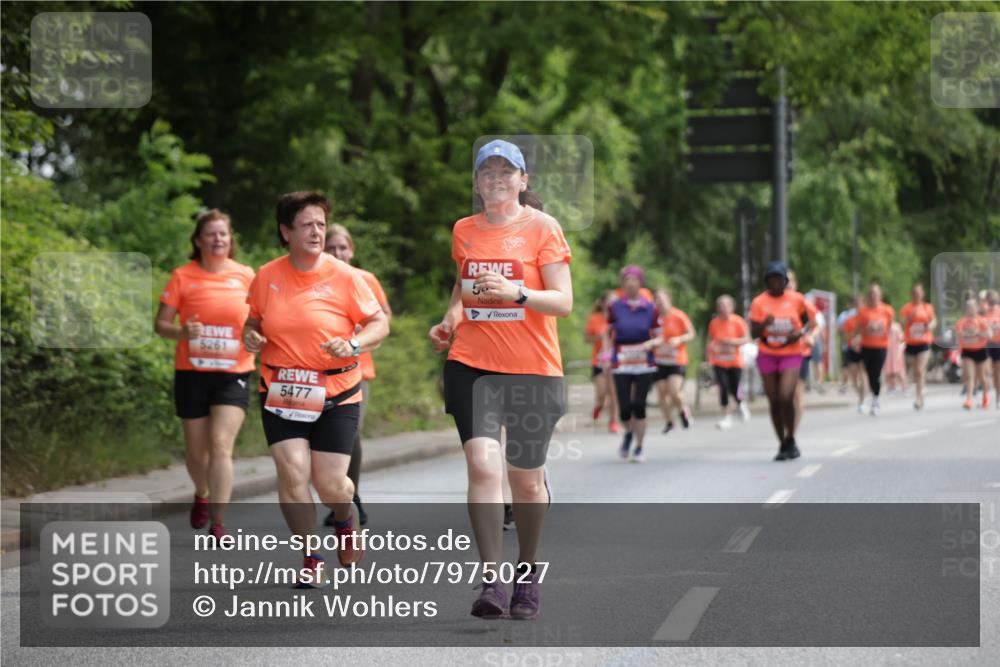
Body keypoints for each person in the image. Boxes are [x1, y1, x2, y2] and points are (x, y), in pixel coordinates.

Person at [429, 139, 572, 620]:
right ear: (476, 183)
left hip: (533, 370)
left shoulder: (543, 227)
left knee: (526, 485)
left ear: (522, 180)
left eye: (506, 171)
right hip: (472, 364)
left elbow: (563, 301)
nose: (496, 179)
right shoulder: (464, 230)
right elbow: (462, 285)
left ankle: (526, 573)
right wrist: (450, 319)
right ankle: (491, 579)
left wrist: (518, 293)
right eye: (487, 172)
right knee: (483, 467)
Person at [243, 192, 389, 584]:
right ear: (286, 231)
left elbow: (379, 324)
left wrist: (354, 344)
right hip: (282, 390)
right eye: (307, 224)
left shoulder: (347, 277)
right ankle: (311, 556)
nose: (316, 232)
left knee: (331, 485)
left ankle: (344, 517)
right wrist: (250, 335)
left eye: (321, 224)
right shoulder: (267, 276)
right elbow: (252, 321)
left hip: (337, 391)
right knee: (292, 473)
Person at [155, 209, 256, 540]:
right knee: (197, 454)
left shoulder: (246, 275)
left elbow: (261, 319)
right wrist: (182, 333)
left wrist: (257, 335)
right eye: (211, 234)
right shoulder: (182, 276)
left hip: (233, 372)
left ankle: (219, 522)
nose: (217, 239)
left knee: (221, 444)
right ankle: (202, 491)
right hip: (192, 373)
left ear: (230, 239)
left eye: (223, 233)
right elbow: (161, 325)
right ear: (198, 240)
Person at [322, 223, 393, 528]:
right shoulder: (316, 280)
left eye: (342, 247)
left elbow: (385, 316)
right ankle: (337, 495)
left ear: (351, 250)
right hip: (317, 372)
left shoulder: (365, 279)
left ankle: (353, 496)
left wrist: (363, 332)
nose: (337, 253)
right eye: (331, 248)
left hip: (356, 370)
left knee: (350, 433)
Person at [748, 261, 816, 460]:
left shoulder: (797, 300)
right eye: (772, 279)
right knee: (774, 400)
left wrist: (800, 333)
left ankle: (791, 437)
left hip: (791, 352)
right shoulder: (759, 302)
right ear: (767, 281)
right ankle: (782, 443)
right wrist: (764, 324)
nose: (776, 283)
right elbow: (753, 332)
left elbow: (811, 322)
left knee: (786, 396)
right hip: (767, 353)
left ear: (785, 281)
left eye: (779, 278)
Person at [603, 266, 659, 461]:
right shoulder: (615, 307)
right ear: (623, 284)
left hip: (644, 362)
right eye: (627, 280)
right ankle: (628, 433)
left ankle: (639, 447)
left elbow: (660, 336)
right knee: (625, 408)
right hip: (622, 361)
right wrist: (606, 355)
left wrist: (650, 344)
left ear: (640, 283)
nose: (630, 284)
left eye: (634, 280)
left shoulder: (651, 308)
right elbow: (607, 332)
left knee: (639, 406)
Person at [653, 288, 695, 434]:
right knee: (661, 393)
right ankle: (669, 422)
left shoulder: (678, 316)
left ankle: (683, 410)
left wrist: (679, 339)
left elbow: (691, 333)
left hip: (677, 360)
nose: (659, 302)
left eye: (662, 299)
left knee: (674, 390)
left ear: (669, 300)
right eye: (656, 299)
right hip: (659, 360)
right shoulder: (653, 318)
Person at [707, 295, 751, 429]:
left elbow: (746, 339)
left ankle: (740, 403)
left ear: (731, 307)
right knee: (723, 387)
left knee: (735, 387)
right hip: (719, 361)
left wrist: (732, 342)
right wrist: (710, 353)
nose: (723, 308)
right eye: (721, 306)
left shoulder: (738, 321)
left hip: (734, 361)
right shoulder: (714, 323)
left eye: (726, 306)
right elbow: (711, 341)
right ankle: (726, 416)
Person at [783, 270, 820, 434]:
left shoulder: (802, 303)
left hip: (800, 353)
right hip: (780, 355)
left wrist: (812, 336)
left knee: (797, 394)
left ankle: (791, 433)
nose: (787, 285)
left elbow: (816, 325)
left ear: (795, 284)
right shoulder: (773, 303)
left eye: (789, 281)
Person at [854, 283, 895, 416]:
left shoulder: (887, 310)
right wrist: (867, 329)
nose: (873, 296)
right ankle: (874, 395)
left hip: (881, 346)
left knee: (876, 373)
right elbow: (858, 329)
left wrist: (882, 330)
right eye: (871, 293)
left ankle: (876, 398)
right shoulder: (863, 311)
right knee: (870, 374)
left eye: (875, 293)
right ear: (868, 295)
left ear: (880, 295)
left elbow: (889, 327)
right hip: (867, 346)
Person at [585, 292, 619, 433]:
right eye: (610, 301)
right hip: (598, 362)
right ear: (603, 303)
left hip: (615, 362)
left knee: (613, 393)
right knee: (602, 393)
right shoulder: (595, 318)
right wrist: (598, 337)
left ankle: (613, 422)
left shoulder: (620, 318)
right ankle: (599, 406)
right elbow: (586, 339)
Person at [900, 283, 937, 410]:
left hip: (924, 342)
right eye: (915, 293)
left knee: (920, 370)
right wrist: (910, 318)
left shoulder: (928, 307)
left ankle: (919, 397)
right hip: (911, 342)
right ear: (912, 294)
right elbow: (902, 323)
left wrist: (929, 326)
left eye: (919, 292)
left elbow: (933, 321)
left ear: (922, 294)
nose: (917, 295)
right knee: (916, 371)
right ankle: (921, 389)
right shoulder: (907, 308)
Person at [956, 298, 991, 410]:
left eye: (972, 307)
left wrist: (978, 333)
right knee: (969, 376)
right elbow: (958, 334)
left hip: (980, 350)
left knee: (981, 376)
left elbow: (989, 335)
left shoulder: (982, 320)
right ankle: (969, 399)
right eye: (968, 308)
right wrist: (964, 334)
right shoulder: (962, 321)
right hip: (967, 351)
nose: (970, 310)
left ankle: (985, 396)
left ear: (977, 308)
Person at [836, 297, 858, 393]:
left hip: (847, 344)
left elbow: (838, 330)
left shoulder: (843, 316)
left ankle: (845, 385)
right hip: (859, 345)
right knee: (859, 366)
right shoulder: (859, 313)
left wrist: (844, 334)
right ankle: (858, 384)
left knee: (845, 366)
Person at [984, 290, 1000, 408]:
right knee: (986, 371)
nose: (993, 300)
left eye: (994, 298)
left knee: (997, 373)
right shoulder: (984, 312)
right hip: (987, 344)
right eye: (990, 298)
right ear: (987, 300)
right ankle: (986, 397)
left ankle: (998, 397)